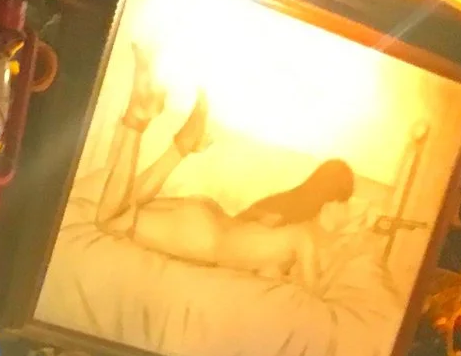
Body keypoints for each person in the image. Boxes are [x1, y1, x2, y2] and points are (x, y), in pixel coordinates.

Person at [94, 46, 355, 286]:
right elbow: (312, 299)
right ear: (332, 201)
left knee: (127, 206)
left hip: (210, 217)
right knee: (108, 220)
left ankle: (182, 146)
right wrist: (340, 240)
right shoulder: (304, 237)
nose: (348, 212)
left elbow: (263, 272)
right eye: (346, 203)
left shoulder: (280, 213)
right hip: (204, 239)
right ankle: (136, 121)